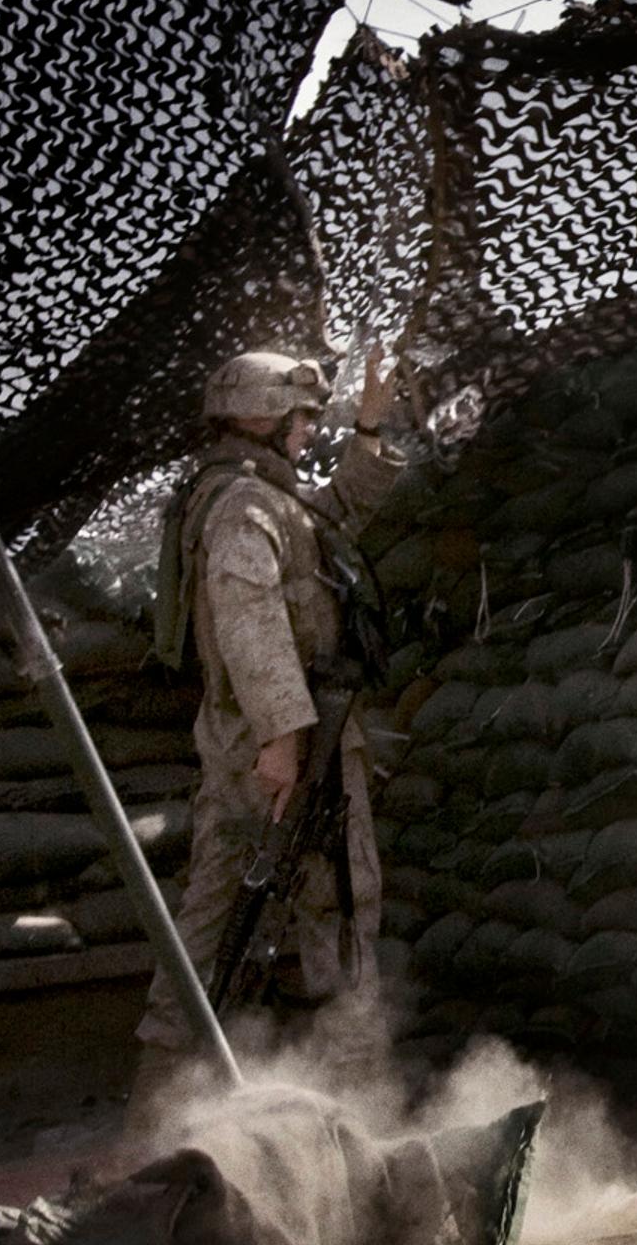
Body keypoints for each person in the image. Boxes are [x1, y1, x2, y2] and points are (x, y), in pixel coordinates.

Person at [133, 350, 401, 1096]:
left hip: (257, 745)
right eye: (304, 416)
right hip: (284, 752)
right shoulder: (244, 508)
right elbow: (250, 625)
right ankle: (358, 1100)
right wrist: (285, 742)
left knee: (216, 917)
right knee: (339, 908)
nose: (310, 430)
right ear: (267, 417)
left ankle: (161, 1103)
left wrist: (369, 427)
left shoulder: (252, 496)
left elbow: (330, 518)